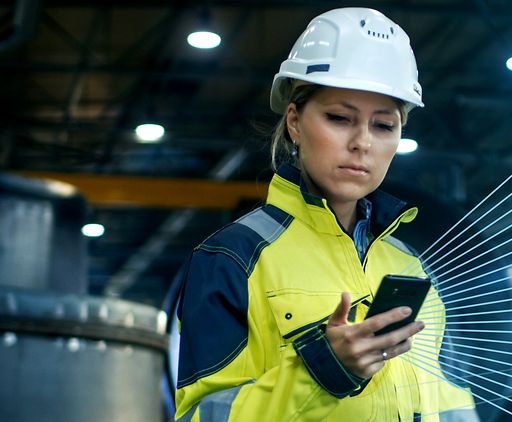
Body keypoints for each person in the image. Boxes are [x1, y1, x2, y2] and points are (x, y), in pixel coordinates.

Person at [174, 7, 474, 421]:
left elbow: (446, 400)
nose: (362, 143)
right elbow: (199, 416)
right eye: (339, 118)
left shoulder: (410, 267)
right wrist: (319, 372)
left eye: (384, 126)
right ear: (295, 122)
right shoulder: (232, 259)